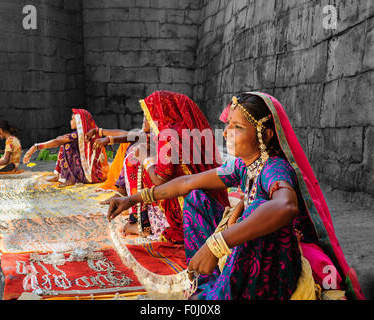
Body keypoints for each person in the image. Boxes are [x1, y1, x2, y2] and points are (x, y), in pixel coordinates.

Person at [106, 92, 365, 300]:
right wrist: (132, 200)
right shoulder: (242, 165)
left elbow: (286, 207)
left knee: (256, 211)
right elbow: (186, 182)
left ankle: (222, 293)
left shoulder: (274, 167)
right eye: (228, 124)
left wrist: (216, 244)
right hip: (244, 250)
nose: (227, 132)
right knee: (196, 198)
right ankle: (205, 280)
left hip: (277, 261)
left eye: (237, 126)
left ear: (265, 135)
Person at [103, 90, 229, 243]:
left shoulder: (169, 136)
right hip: (200, 198)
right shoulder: (178, 129)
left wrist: (146, 158)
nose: (145, 119)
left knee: (133, 159)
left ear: (158, 112)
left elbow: (160, 181)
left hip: (184, 206)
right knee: (139, 151)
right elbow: (143, 137)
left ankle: (142, 224)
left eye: (147, 114)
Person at [23, 109, 109, 187]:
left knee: (66, 144)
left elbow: (58, 141)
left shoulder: (81, 134)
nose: (70, 121)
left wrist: (36, 147)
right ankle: (59, 175)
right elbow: (60, 139)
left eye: (73, 119)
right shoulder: (86, 133)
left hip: (92, 175)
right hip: (97, 173)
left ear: (80, 122)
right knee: (65, 141)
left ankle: (71, 178)